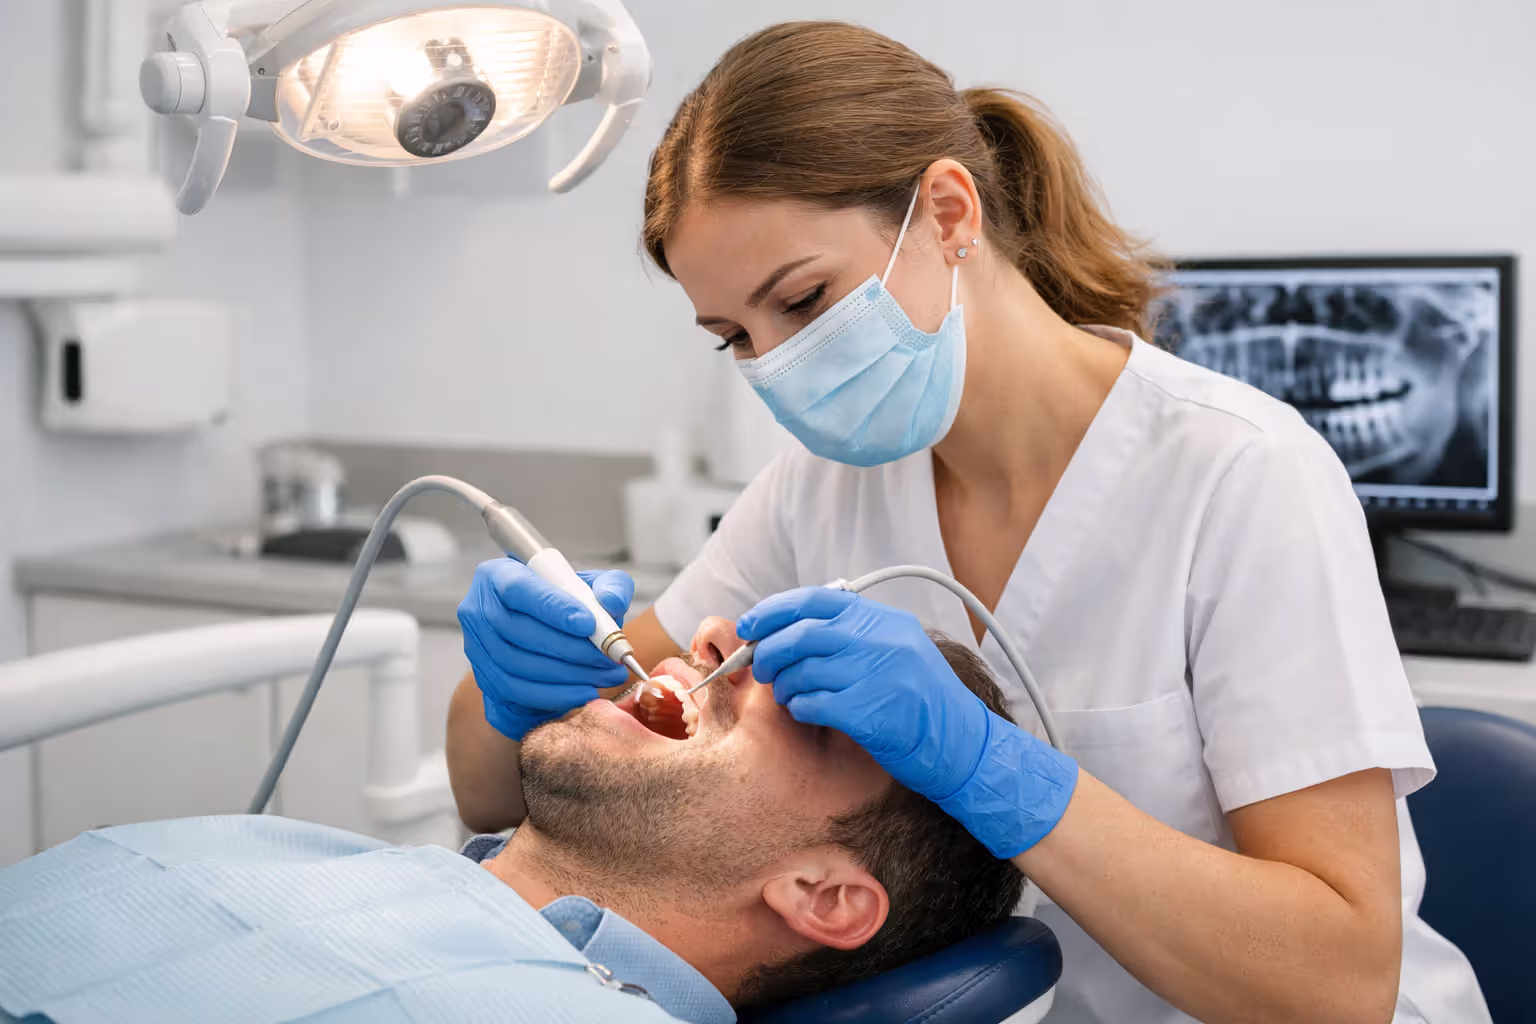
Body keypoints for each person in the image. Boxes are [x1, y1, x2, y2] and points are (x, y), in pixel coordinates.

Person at [447, 19, 1491, 1024]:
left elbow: (1339, 988)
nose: (775, 364)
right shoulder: (820, 486)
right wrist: (508, 694)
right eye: (733, 337)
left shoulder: (1239, 476)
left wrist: (995, 770)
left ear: (949, 213)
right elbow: (490, 790)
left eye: (804, 302)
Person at [0, 618, 1022, 1024]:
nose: (696, 659)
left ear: (826, 894)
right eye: (735, 645)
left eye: (802, 706)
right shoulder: (287, 849)